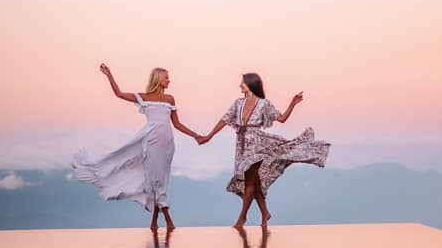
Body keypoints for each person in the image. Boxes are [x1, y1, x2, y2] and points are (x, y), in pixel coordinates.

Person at [72, 64, 199, 231]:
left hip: (168, 144)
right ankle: (169, 222)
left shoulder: (170, 99)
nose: (169, 80)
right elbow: (119, 94)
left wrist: (196, 136)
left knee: (161, 179)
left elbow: (177, 124)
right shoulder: (144, 97)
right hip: (151, 142)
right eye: (166, 77)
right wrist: (109, 74)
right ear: (158, 79)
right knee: (156, 180)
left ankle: (154, 222)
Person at [198, 72, 330, 228]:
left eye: (243, 83)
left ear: (251, 84)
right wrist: (209, 135)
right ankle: (265, 213)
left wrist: (292, 104)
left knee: (249, 180)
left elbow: (281, 118)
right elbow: (224, 119)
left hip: (258, 145)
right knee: (255, 181)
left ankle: (242, 218)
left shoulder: (264, 104)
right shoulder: (238, 103)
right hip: (241, 145)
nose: (240, 85)